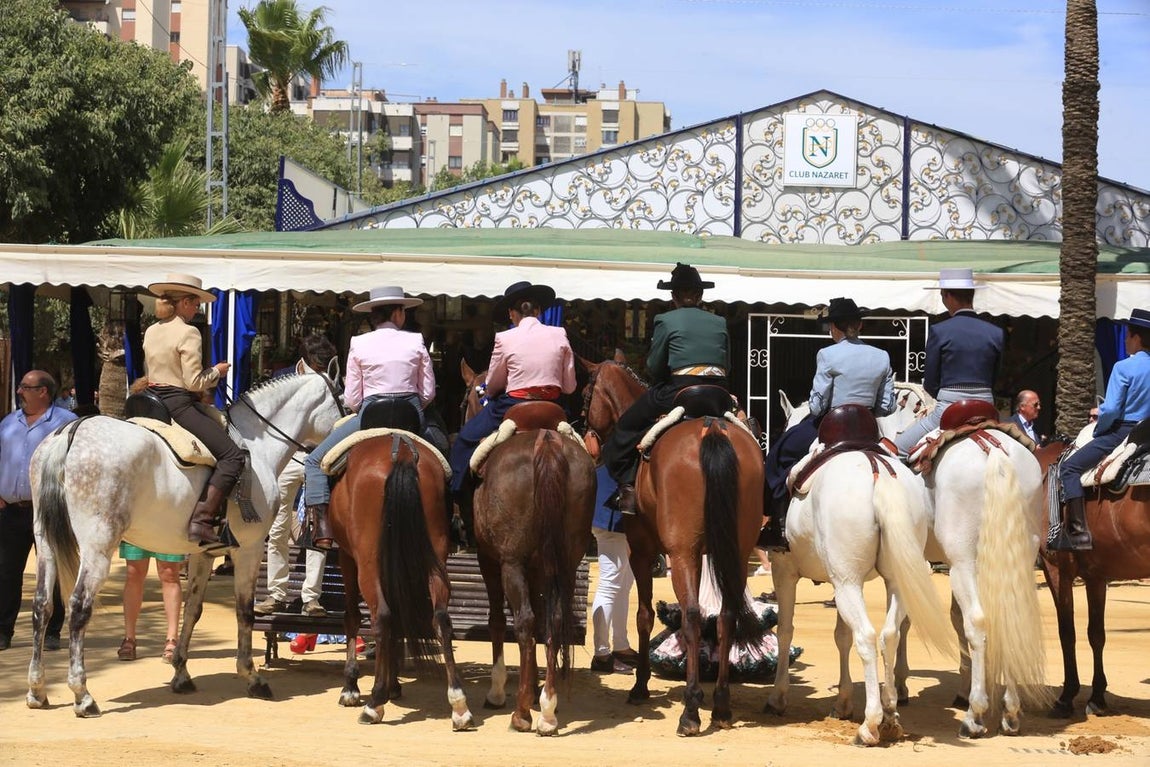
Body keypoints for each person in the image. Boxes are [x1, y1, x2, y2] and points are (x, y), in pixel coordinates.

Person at [303, 286, 433, 551]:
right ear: (398, 314)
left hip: (370, 416)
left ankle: (323, 529)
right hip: (411, 415)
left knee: (315, 461)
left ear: (374, 315)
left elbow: (352, 399)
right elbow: (428, 392)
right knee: (445, 455)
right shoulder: (416, 340)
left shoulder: (358, 343)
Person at [761, 297, 896, 550]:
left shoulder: (827, 354)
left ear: (834, 328)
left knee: (780, 452)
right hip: (868, 430)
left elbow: (816, 406)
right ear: (859, 326)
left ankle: (776, 523)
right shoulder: (882, 357)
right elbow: (887, 407)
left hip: (833, 428)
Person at [603, 263, 728, 514]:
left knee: (625, 429)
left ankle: (628, 489)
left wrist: (661, 379)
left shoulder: (665, 319)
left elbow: (654, 365)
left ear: (674, 297)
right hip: (717, 393)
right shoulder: (719, 322)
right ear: (700, 295)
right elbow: (727, 363)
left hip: (679, 391)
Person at [448, 280, 577, 499]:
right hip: (552, 407)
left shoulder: (504, 338)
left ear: (511, 314)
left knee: (464, 440)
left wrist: (493, 391)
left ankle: (456, 496)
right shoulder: (560, 334)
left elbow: (493, 386)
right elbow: (570, 386)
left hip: (513, 406)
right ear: (538, 311)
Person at [143, 275, 242, 549]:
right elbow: (194, 383)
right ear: (184, 302)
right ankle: (202, 519)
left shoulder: (152, 330)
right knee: (232, 456)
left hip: (149, 400)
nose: (197, 309)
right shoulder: (189, 332)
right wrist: (217, 372)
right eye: (196, 303)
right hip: (178, 403)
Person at [1052, 308, 1150, 551]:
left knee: (1069, 467)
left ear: (1136, 337)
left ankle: (1078, 533)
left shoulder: (1124, 367)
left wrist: (1099, 426)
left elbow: (1113, 409)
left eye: (1128, 336)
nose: (1126, 340)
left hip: (1123, 431)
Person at [257, 335, 337, 616]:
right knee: (277, 527)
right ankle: (276, 593)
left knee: (317, 525)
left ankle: (311, 598)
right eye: (318, 366)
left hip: (319, 457)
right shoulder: (282, 378)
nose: (322, 373)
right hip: (289, 459)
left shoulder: (331, 379)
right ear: (305, 361)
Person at [0, 370, 76, 651]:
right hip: (10, 512)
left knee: (54, 572)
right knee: (6, 572)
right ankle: (3, 631)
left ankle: (53, 631)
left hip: (49, 511)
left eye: (25, 387)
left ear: (43, 391)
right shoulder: (8, 422)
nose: (20, 392)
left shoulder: (66, 424)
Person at [893, 268, 1004, 455]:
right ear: (972, 295)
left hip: (949, 407)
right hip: (986, 406)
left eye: (943, 295)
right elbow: (997, 377)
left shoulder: (939, 331)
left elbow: (930, 380)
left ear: (948, 296)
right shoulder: (996, 332)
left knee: (897, 449)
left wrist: (945, 394)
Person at [589, 466, 638, 674]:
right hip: (611, 517)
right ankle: (601, 655)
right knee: (609, 585)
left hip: (617, 517)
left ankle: (620, 645)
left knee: (624, 583)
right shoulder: (621, 449)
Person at [116, 543, 184, 662]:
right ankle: (129, 638)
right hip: (138, 527)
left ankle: (172, 639)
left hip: (166, 527)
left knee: (170, 573)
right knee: (133, 573)